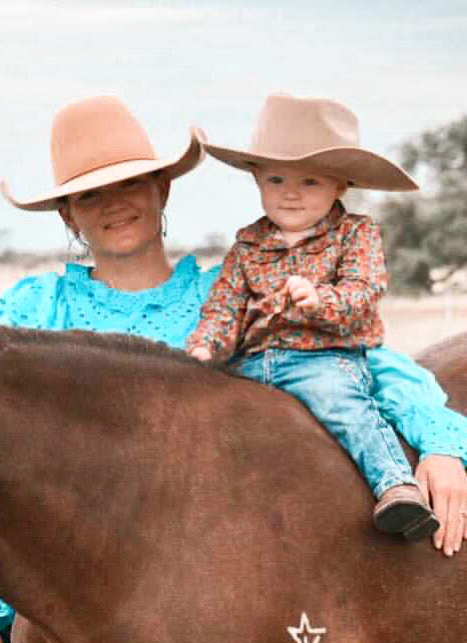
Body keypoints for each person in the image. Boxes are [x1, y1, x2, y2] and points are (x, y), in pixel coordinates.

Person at [0, 95, 467, 643]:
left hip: (172, 604)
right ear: (66, 214)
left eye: (131, 182)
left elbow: (359, 360)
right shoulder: (27, 316)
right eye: (89, 195)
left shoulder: (228, 298)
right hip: (16, 590)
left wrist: (439, 439)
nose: (114, 204)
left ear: (163, 188)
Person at [186, 92, 441, 540]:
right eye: (277, 179)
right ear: (257, 179)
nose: (290, 193)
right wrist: (207, 344)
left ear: (340, 185)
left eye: (310, 182)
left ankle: (396, 486)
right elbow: (224, 305)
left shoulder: (355, 233)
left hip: (323, 357)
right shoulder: (248, 243)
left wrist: (319, 300)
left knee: (344, 406)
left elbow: (364, 290)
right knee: (209, 416)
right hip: (252, 360)